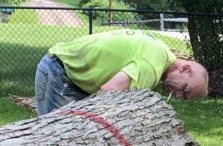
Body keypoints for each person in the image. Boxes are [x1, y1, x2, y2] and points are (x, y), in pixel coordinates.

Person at [35, 30, 208, 115]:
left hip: (68, 74)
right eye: (185, 91)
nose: (179, 96)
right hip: (59, 73)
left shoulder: (160, 54)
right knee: (57, 143)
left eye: (185, 98)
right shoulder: (151, 66)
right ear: (185, 69)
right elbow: (108, 94)